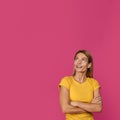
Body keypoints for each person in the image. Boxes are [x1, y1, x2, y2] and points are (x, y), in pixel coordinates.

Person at [59, 50, 102, 120]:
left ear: (89, 65)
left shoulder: (94, 83)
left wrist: (76, 103)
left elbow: (98, 108)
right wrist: (90, 107)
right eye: (77, 59)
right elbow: (65, 109)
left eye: (83, 60)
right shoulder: (66, 81)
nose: (79, 62)